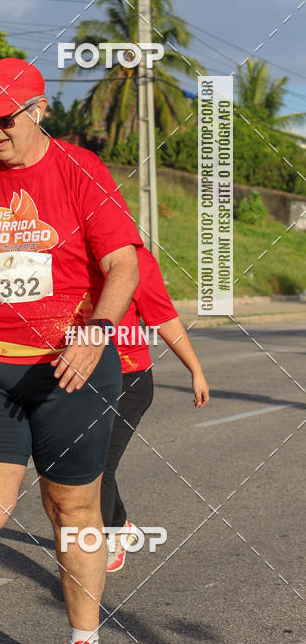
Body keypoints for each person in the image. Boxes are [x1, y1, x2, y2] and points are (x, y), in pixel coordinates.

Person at [0, 58, 143, 644]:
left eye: (4, 118)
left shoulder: (81, 170)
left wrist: (96, 333)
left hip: (70, 365)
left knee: (71, 509)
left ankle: (83, 637)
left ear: (39, 111)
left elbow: (123, 264)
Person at [101, 245, 210, 572]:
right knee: (74, 467)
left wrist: (196, 370)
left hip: (127, 379)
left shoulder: (134, 259)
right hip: (78, 377)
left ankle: (104, 540)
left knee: (97, 467)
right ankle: (118, 524)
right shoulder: (62, 248)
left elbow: (163, 318)